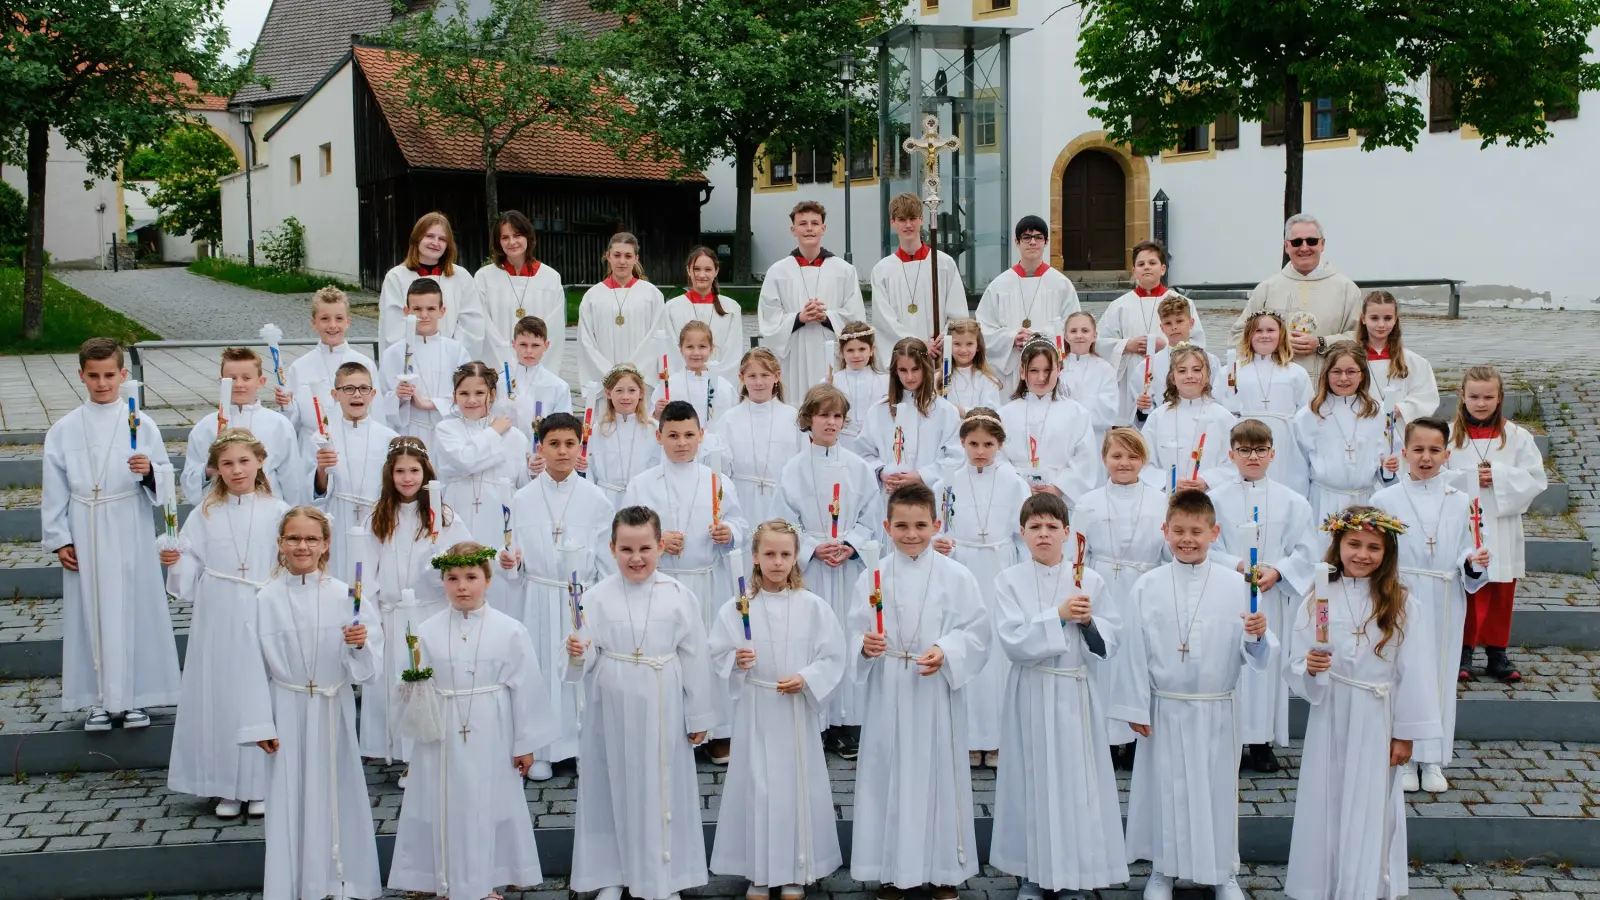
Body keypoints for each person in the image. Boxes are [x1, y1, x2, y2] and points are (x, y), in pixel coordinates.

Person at [1110, 490, 1272, 900]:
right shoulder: (1148, 586)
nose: (1187, 539)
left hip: (1215, 706)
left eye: (1196, 531)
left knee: (1217, 792)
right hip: (1165, 707)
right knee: (1166, 791)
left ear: (1214, 532)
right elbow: (1133, 650)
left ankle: (1222, 873)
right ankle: (1163, 870)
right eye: (1178, 530)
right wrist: (1133, 705)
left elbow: (1257, 651)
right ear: (1164, 531)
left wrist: (1257, 634)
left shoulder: (1239, 585)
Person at [1284, 507, 1440, 900]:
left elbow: (1416, 672)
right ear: (1337, 546)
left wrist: (1405, 735)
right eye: (1353, 544)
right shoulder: (1317, 599)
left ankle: (1364, 886)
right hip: (1331, 712)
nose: (1362, 554)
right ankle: (1321, 885)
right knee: (1327, 798)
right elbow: (1297, 661)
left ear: (1387, 554)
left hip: (1376, 714)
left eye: (1374, 547)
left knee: (1369, 806)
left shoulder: (1402, 603)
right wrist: (1311, 667)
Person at [388, 541, 556, 900]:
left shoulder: (510, 630)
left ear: (488, 580)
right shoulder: (426, 631)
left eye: (471, 577)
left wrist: (526, 745)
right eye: (452, 578)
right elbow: (409, 684)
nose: (462, 586)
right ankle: (441, 879)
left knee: (486, 805)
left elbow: (527, 689)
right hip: (441, 732)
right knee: (441, 803)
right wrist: (412, 686)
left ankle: (483, 882)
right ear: (443, 581)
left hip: (491, 730)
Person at [566, 506, 717, 900]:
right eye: (626, 549)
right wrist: (579, 651)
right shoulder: (595, 597)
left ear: (661, 547)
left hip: (661, 703)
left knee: (660, 787)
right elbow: (587, 656)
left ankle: (661, 876)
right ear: (612, 548)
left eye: (645, 548)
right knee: (608, 785)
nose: (636, 558)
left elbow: (696, 657)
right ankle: (612, 873)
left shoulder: (679, 596)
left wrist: (699, 713)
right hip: (610, 706)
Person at [849, 483, 990, 900]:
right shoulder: (872, 576)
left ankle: (943, 870)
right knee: (886, 774)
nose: (912, 534)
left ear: (936, 524)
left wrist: (946, 650)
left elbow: (977, 633)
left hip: (934, 691)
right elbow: (855, 629)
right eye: (902, 526)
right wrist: (864, 646)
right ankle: (890, 871)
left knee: (939, 776)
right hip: (889, 684)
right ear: (887, 526)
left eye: (920, 525)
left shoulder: (956, 575)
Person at [235, 506, 383, 900]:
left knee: (338, 792)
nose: (302, 546)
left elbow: (368, 671)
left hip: (332, 708)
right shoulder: (264, 599)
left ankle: (343, 880)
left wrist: (360, 645)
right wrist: (259, 724)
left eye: (311, 539)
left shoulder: (346, 597)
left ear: (326, 545)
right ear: (280, 544)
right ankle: (294, 885)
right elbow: (250, 666)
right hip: (287, 708)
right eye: (294, 538)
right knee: (290, 799)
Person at [990, 493, 1127, 900]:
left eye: (1052, 527)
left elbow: (1111, 640)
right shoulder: (1008, 580)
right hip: (1031, 689)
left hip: (1074, 691)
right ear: (1022, 533)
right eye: (1035, 527)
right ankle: (1033, 874)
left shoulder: (1090, 579)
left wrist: (1089, 623)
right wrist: (1059, 616)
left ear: (1067, 533)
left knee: (1075, 783)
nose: (1044, 534)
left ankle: (1076, 875)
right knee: (1033, 781)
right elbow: (1012, 639)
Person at [45, 339, 180, 732]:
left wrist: (149, 471)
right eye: (94, 376)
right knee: (90, 611)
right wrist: (59, 538)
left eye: (109, 376)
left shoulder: (142, 423)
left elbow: (165, 485)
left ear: (124, 376)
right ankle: (99, 700)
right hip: (85, 523)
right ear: (81, 375)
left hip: (128, 521)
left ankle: (136, 697)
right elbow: (54, 488)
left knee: (133, 605)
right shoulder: (64, 429)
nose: (102, 384)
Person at [708, 520, 848, 899]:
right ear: (754, 557)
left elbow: (833, 655)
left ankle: (794, 869)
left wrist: (806, 678)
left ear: (796, 557)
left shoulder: (812, 607)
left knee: (793, 787)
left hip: (794, 710)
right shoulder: (739, 607)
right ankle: (759, 870)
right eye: (769, 554)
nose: (777, 561)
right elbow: (717, 651)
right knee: (759, 788)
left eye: (785, 554)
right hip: (756, 707)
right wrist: (737, 660)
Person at [163, 429, 285, 818]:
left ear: (260, 462)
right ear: (215, 468)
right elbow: (189, 570)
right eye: (228, 464)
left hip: (263, 604)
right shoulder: (205, 513)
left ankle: (261, 782)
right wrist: (174, 559)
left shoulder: (278, 510)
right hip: (218, 610)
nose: (236, 470)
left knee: (259, 690)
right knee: (220, 691)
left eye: (244, 462)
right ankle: (225, 785)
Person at [624, 399, 750, 762]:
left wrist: (729, 533)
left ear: (702, 436)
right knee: (667, 656)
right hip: (660, 582)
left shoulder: (718, 482)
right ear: (659, 437)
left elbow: (740, 523)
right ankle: (666, 729)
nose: (682, 443)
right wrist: (659, 545)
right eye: (673, 435)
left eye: (689, 435)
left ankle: (717, 731)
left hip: (706, 581)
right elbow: (629, 531)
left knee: (710, 656)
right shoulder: (642, 483)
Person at [1372, 416, 1490, 793]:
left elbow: (1469, 547)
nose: (1425, 458)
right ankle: (1402, 756)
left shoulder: (1460, 502)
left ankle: (1433, 758)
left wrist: (1472, 563)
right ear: (1403, 453)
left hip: (1443, 595)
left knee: (1439, 673)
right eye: (1418, 450)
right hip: (1400, 592)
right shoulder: (1384, 500)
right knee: (1401, 673)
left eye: (1434, 450)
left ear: (1447, 454)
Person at [501, 412, 614, 780]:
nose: (562, 452)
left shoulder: (597, 499)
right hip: (538, 595)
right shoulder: (522, 498)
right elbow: (512, 555)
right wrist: (511, 563)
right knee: (541, 673)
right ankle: (545, 749)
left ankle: (582, 747)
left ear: (581, 446)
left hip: (581, 598)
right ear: (540, 448)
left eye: (570, 444)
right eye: (554, 444)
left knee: (579, 669)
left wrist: (596, 600)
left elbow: (605, 556)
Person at [773, 383, 879, 760]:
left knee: (849, 636)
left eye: (837, 416)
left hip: (847, 568)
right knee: (813, 638)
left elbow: (872, 516)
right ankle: (815, 721)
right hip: (813, 569)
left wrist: (850, 544)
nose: (830, 423)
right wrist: (814, 547)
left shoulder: (859, 468)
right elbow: (783, 521)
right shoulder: (793, 469)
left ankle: (847, 722)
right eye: (823, 415)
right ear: (808, 420)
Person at [1206, 419, 1318, 773]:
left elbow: (1306, 549)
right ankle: (1232, 739)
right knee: (1233, 665)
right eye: (1244, 450)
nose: (1252, 456)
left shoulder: (1293, 501)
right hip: (1230, 593)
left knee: (1265, 666)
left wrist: (1279, 571)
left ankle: (1261, 741)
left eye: (1259, 450)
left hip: (1269, 593)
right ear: (1231, 454)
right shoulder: (1215, 500)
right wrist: (1237, 564)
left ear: (1272, 453)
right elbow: (1206, 545)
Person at [358, 438, 471, 765]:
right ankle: (398, 749)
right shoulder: (378, 517)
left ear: (426, 473)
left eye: (414, 471)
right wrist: (370, 612)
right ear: (389, 475)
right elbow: (366, 569)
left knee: (428, 681)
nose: (407, 478)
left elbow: (462, 561)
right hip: (392, 614)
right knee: (396, 683)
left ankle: (425, 752)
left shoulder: (444, 517)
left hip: (429, 611)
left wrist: (441, 564)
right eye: (400, 471)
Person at [931, 408, 1030, 766]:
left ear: (1000, 445)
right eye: (973, 443)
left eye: (988, 444)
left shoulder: (1014, 481)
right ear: (962, 443)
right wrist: (940, 543)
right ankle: (970, 737)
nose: (980, 451)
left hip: (1000, 566)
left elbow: (1023, 533)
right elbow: (939, 526)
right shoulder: (948, 482)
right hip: (962, 567)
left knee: (997, 653)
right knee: (966, 644)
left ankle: (998, 738)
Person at [1442, 365, 1547, 684]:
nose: (1481, 402)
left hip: (1501, 525)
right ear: (1462, 396)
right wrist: (1470, 478)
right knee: (1467, 589)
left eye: (1488, 396)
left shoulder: (1517, 437)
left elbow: (1535, 479)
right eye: (1474, 396)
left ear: (1500, 397)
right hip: (1463, 523)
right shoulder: (1448, 434)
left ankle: (1497, 654)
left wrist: (1498, 476)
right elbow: (1431, 471)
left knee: (1501, 588)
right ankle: (1463, 651)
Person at [1072, 427, 1170, 768]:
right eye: (1116, 456)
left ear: (1144, 460)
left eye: (1132, 456)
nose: (1124, 463)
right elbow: (1078, 551)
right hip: (1103, 586)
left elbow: (1169, 550)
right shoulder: (1088, 501)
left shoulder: (1161, 501)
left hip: (1145, 584)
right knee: (1106, 661)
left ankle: (1136, 734)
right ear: (1104, 459)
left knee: (1140, 658)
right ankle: (1108, 738)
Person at [432, 362, 532, 615]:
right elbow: (464, 462)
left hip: (497, 519)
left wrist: (534, 470)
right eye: (464, 393)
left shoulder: (516, 438)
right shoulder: (446, 430)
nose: (472, 400)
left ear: (492, 394)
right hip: (458, 512)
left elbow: (523, 484)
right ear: (454, 396)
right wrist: (493, 433)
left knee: (497, 584)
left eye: (479, 393)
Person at [1229, 213, 1362, 379]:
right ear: (1286, 246)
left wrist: (1322, 343)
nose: (1304, 247)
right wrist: (1276, 342)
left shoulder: (1347, 289)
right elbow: (1237, 336)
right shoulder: (1267, 289)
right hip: (1275, 384)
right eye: (1297, 242)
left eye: (1311, 241)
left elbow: (1361, 337)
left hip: (1330, 384)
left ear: (1322, 244)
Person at [757, 201, 867, 397]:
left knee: (831, 405)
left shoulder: (844, 270)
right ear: (793, 230)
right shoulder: (778, 271)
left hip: (832, 352)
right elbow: (769, 316)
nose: (809, 229)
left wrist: (826, 317)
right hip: (794, 354)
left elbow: (855, 316)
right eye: (803, 223)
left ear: (823, 228)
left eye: (815, 223)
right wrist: (799, 318)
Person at [1096, 240, 1206, 424]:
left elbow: (1198, 342)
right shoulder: (1119, 305)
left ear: (1162, 269)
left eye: (1152, 263)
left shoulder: (1181, 303)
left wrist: (1168, 346)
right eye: (1141, 264)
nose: (1146, 267)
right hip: (1131, 375)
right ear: (1134, 271)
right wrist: (1125, 345)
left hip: (1169, 372)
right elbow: (1099, 342)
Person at [1292, 341, 1399, 523]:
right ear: (1326, 374)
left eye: (1351, 372)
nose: (1343, 379)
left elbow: (1391, 460)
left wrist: (1389, 467)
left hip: (1365, 501)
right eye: (1336, 372)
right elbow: (1297, 468)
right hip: (1323, 501)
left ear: (1362, 375)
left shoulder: (1379, 413)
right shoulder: (1309, 415)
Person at [861, 338, 962, 525]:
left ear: (926, 368)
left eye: (916, 369)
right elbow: (864, 453)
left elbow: (956, 457)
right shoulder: (878, 411)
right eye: (903, 370)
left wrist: (921, 476)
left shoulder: (945, 411)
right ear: (894, 372)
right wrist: (882, 472)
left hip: (929, 496)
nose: (909, 377)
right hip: (889, 498)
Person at [184, 347, 303, 505]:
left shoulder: (279, 424)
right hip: (220, 507)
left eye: (246, 378)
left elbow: (292, 477)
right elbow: (189, 477)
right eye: (232, 378)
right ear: (221, 381)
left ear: (261, 382)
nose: (239, 384)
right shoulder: (206, 427)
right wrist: (209, 468)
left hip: (267, 508)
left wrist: (292, 512)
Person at [309, 362, 397, 577]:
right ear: (335, 394)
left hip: (376, 516)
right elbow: (315, 491)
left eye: (363, 388)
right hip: (338, 515)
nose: (356, 395)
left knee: (373, 576)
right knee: (340, 573)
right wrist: (322, 469)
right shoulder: (322, 438)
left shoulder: (389, 437)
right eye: (348, 389)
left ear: (373, 393)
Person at [976, 215, 1081, 383]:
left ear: (1046, 242)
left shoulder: (1061, 284)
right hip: (1011, 371)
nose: (1032, 242)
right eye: (1026, 237)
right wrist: (1011, 338)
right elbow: (984, 327)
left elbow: (1073, 325)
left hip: (1047, 367)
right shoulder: (999, 285)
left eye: (1038, 237)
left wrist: (1039, 337)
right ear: (1017, 242)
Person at [999, 337, 1099, 506]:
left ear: (1059, 369)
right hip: (1016, 496)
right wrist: (1021, 485)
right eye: (1034, 370)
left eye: (1047, 370)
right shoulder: (1004, 414)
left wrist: (1059, 488)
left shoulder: (1077, 413)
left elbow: (1085, 459)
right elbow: (998, 456)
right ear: (1022, 372)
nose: (1041, 377)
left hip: (1061, 498)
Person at [870, 192, 968, 363]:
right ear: (892, 222)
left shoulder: (943, 264)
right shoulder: (882, 271)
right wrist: (916, 344)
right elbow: (884, 321)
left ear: (922, 219)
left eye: (913, 218)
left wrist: (943, 337)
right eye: (902, 219)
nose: (908, 225)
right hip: (903, 357)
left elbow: (957, 313)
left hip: (937, 352)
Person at [710, 348, 804, 524]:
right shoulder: (729, 419)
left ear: (777, 376)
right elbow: (720, 468)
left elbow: (803, 463)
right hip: (742, 499)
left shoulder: (793, 417)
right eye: (752, 376)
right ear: (741, 378)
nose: (759, 382)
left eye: (765, 375)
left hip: (783, 500)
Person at [1225, 311, 1312, 495]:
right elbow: (1222, 408)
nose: (1264, 335)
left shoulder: (1296, 373)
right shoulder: (1232, 371)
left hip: (1285, 442)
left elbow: (1307, 415)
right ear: (1249, 335)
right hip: (1245, 438)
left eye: (1270, 330)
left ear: (1281, 335)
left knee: (1284, 489)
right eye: (1258, 331)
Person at [379, 278, 473, 448]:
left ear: (442, 311)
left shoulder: (456, 351)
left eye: (430, 309)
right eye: (417, 309)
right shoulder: (393, 354)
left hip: (447, 433)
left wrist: (430, 404)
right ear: (406, 311)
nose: (423, 315)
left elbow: (468, 395)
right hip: (409, 433)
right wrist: (398, 397)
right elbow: (380, 400)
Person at [379, 211, 486, 359]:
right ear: (417, 239)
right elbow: (393, 326)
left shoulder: (461, 277)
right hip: (412, 360)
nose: (435, 243)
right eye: (429, 236)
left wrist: (453, 355)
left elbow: (472, 324)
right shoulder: (396, 277)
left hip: (451, 360)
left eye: (442, 239)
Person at [278, 286, 382, 435]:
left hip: (355, 437)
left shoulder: (364, 364)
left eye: (339, 318)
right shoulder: (299, 367)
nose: (332, 325)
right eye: (325, 319)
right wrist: (286, 405)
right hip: (311, 447)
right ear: (314, 323)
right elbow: (293, 418)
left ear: (348, 322)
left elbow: (376, 411)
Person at [476, 210, 565, 373]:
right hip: (498, 365)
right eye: (505, 237)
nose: (512, 242)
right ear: (498, 242)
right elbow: (484, 325)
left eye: (517, 235)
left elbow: (554, 327)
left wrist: (534, 357)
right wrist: (506, 359)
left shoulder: (550, 278)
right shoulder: (484, 277)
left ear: (528, 237)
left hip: (537, 364)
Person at [1138, 345, 1235, 494]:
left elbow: (1235, 462)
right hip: (1168, 497)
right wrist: (1169, 480)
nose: (1189, 375)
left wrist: (1207, 480)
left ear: (1208, 375)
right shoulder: (1158, 417)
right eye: (1182, 371)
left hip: (1210, 497)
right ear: (1173, 377)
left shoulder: (1223, 417)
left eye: (1197, 370)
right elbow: (1143, 461)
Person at [578, 232, 667, 387]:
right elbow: (586, 341)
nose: (622, 261)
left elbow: (656, 337)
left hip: (641, 380)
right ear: (608, 256)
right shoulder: (593, 296)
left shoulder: (652, 295)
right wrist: (610, 375)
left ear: (636, 258)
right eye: (617, 255)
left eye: (628, 256)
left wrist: (633, 372)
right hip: (605, 381)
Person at [1358, 290, 1440, 423]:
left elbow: (1427, 397)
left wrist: (1401, 409)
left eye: (1387, 318)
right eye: (1374, 318)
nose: (1381, 325)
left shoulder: (1415, 362)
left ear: (1396, 319)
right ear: (1363, 319)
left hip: (1401, 430)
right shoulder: (1352, 360)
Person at [664, 246, 744, 382]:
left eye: (708, 269)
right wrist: (687, 378)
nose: (702, 275)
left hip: (719, 381)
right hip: (684, 381)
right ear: (688, 270)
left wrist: (715, 379)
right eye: (696, 269)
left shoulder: (731, 308)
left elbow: (734, 353)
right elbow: (671, 350)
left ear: (716, 271)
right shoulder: (672, 308)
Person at [588, 363, 661, 508]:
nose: (625, 397)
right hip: (606, 499)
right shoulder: (598, 430)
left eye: (632, 390)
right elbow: (590, 469)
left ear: (640, 393)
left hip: (643, 499)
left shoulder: (653, 429)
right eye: (619, 390)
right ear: (608, 394)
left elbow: (659, 466)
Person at [505, 315, 575, 452]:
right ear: (513, 344)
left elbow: (563, 428)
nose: (529, 351)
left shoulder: (558, 387)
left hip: (542, 455)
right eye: (523, 344)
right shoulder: (499, 382)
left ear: (546, 345)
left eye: (535, 345)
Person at [1143, 296, 1224, 414]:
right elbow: (1141, 408)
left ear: (1191, 323)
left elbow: (1218, 396)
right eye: (1168, 323)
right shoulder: (1149, 365)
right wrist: (1143, 406)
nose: (1174, 327)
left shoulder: (1211, 361)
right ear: (1161, 328)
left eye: (1179, 321)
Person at [653, 319, 737, 432]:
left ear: (711, 349)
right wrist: (658, 413)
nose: (696, 353)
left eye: (702, 346)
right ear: (681, 349)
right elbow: (655, 424)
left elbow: (734, 420)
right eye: (690, 347)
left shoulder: (724, 387)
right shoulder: (669, 385)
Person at [1059, 311, 1119, 454]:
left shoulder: (1105, 369)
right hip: (1062, 438)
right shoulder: (1057, 368)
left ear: (1094, 335)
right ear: (1066, 337)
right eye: (1073, 331)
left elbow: (1108, 411)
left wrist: (1073, 408)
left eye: (1085, 331)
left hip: (1094, 440)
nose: (1079, 335)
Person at [832, 321, 890, 458]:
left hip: (876, 447)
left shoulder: (886, 381)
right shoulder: (832, 382)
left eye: (862, 349)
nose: (856, 355)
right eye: (850, 350)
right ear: (842, 352)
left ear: (872, 350)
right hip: (842, 446)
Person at [942, 318, 1005, 415]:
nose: (963, 350)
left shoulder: (987, 380)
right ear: (948, 345)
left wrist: (962, 411)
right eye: (957, 344)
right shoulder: (938, 378)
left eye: (969, 344)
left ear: (978, 346)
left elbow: (992, 413)